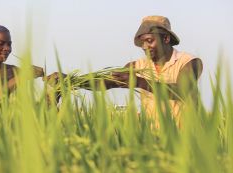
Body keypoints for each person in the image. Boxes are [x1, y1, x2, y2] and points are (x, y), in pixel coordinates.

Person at [47, 16, 203, 127]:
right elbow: (106, 82)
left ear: (166, 39)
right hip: (151, 137)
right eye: (142, 42)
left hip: (186, 137)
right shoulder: (137, 66)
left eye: (149, 41)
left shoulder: (189, 62)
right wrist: (72, 81)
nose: (144, 47)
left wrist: (139, 82)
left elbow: (182, 90)